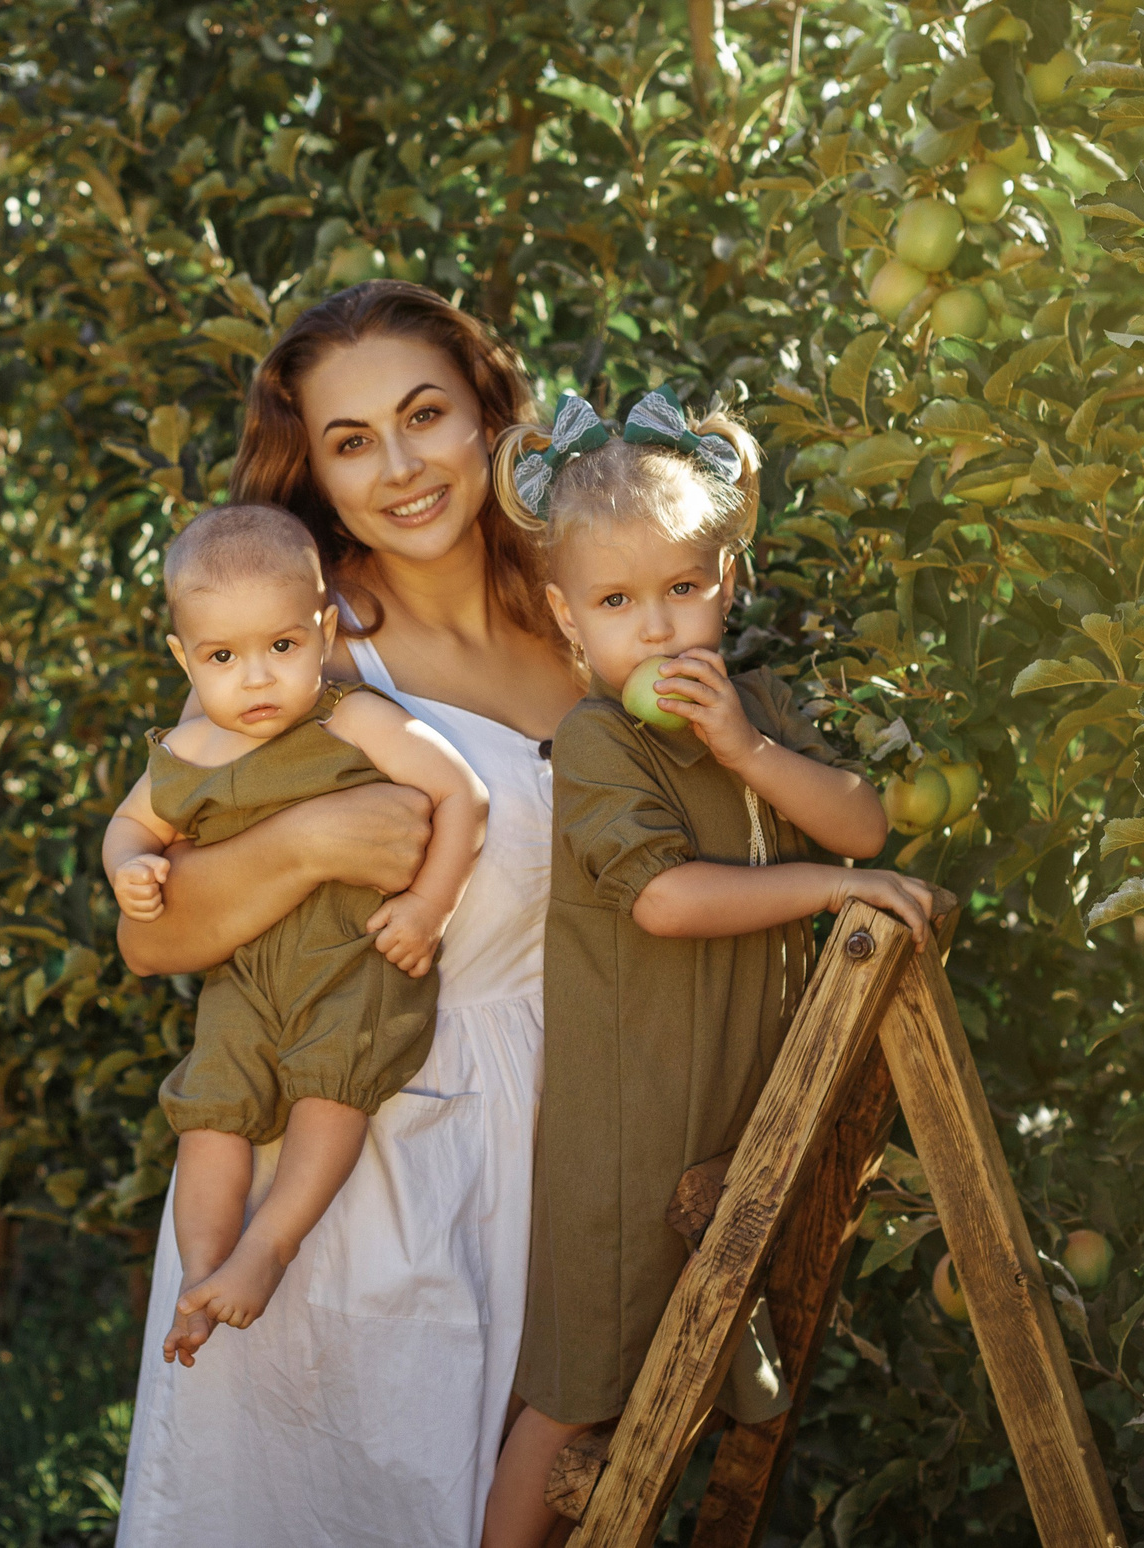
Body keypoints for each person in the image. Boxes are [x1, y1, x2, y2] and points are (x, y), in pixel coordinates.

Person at [113, 281, 580, 1546]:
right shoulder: (301, 658)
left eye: (425, 414)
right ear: (311, 473)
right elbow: (152, 937)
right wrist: (311, 836)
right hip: (352, 1154)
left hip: (559, 1141)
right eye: (351, 441)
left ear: (489, 414)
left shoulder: (583, 623)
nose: (401, 466)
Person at [478, 388, 941, 1548]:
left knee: (680, 1367)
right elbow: (667, 899)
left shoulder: (757, 709)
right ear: (566, 616)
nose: (658, 628)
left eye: (683, 590)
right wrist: (830, 892)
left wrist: (744, 745)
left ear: (726, 583)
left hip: (732, 1112)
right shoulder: (598, 740)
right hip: (630, 1122)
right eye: (618, 601)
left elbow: (860, 823)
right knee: (580, 1384)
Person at [105, 502, 489, 1366]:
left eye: (282, 647)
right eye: (222, 657)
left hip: (350, 966)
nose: (256, 680)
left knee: (330, 1094)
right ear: (184, 658)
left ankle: (269, 1245)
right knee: (212, 1111)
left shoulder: (351, 720)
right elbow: (129, 827)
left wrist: (432, 905)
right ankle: (202, 1281)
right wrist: (129, 868)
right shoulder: (192, 749)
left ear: (323, 629)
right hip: (245, 980)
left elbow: (463, 793)